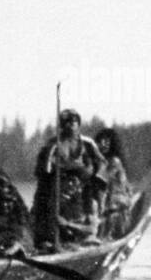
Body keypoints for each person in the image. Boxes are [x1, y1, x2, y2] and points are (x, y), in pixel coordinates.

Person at [31, 108, 105, 253]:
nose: (70, 125)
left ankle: (85, 235)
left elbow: (101, 164)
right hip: (58, 183)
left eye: (74, 122)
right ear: (61, 125)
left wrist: (89, 173)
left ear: (78, 124)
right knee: (46, 207)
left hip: (82, 183)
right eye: (66, 122)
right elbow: (44, 169)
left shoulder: (86, 143)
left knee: (89, 208)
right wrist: (54, 164)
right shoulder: (54, 144)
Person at [94, 127, 132, 239]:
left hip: (116, 206)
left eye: (107, 141)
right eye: (100, 141)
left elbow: (102, 180)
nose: (103, 144)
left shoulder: (114, 161)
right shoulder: (100, 161)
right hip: (108, 204)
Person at [56, 171, 102, 247]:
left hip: (85, 243)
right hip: (67, 242)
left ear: (80, 185)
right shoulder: (60, 202)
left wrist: (68, 224)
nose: (70, 184)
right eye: (68, 180)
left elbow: (92, 229)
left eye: (73, 181)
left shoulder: (90, 204)